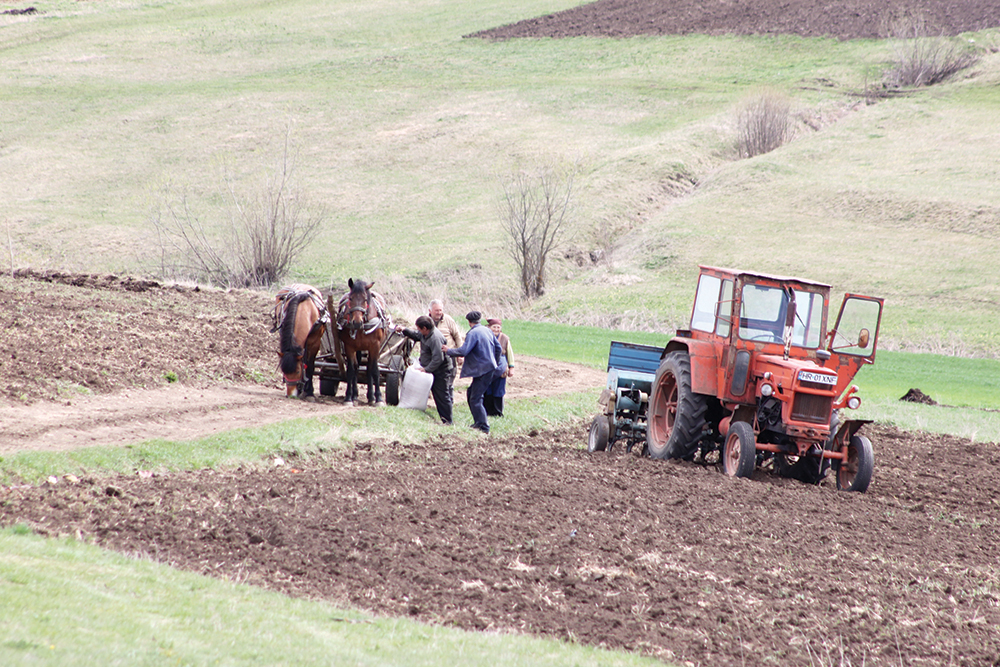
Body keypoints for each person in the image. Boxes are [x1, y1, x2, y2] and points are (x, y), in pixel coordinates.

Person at [443, 311, 501, 434]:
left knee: (475, 398)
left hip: (482, 370)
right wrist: (494, 363)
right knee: (471, 393)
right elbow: (498, 348)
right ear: (479, 320)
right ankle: (478, 422)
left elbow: (464, 351)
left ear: (469, 322)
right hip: (488, 368)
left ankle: (484, 427)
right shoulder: (487, 330)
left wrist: (448, 350)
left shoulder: (473, 333)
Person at [396, 316, 452, 425]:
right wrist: (405, 330)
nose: (419, 331)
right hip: (432, 368)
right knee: (437, 394)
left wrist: (426, 369)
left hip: (441, 370)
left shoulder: (435, 338)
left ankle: (448, 421)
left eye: (420, 329)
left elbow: (438, 358)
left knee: (441, 395)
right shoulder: (425, 334)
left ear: (425, 328)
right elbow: (417, 336)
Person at [429, 299, 464, 396]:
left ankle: (449, 400)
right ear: (430, 311)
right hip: (432, 356)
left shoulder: (448, 320)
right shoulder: (426, 321)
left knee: (449, 379)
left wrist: (460, 354)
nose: (439, 313)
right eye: (436, 310)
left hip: (448, 354)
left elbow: (457, 336)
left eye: (440, 310)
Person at [484, 318, 514, 417]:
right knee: (487, 390)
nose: (496, 329)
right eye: (494, 327)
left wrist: (511, 367)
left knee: (498, 391)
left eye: (498, 327)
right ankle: (487, 411)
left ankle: (497, 412)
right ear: (489, 327)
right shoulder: (485, 336)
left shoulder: (505, 338)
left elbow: (509, 354)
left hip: (501, 369)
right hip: (487, 368)